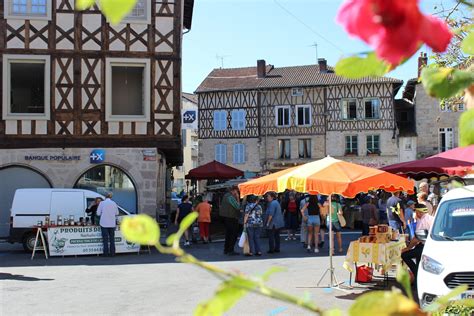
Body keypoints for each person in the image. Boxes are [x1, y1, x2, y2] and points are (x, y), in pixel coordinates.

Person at [401, 203, 434, 280]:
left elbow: (416, 238)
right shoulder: (431, 218)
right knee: (419, 261)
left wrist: (408, 248)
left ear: (419, 212)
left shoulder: (422, 221)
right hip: (428, 245)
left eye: (415, 211)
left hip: (425, 246)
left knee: (405, 255)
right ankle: (417, 278)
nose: (415, 213)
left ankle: (417, 274)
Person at [219, 187, 241, 255]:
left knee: (228, 234)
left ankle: (226, 249)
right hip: (231, 218)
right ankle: (230, 250)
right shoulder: (230, 197)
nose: (237, 193)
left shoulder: (226, 195)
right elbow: (237, 207)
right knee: (233, 235)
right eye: (236, 191)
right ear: (233, 190)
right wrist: (237, 198)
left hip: (226, 217)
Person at [97, 192, 119, 257]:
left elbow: (98, 213)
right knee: (112, 239)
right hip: (112, 224)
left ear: (105, 196)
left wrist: (103, 214)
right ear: (111, 197)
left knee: (105, 239)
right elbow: (117, 213)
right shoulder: (114, 203)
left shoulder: (102, 203)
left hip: (104, 223)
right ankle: (113, 253)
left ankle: (105, 253)